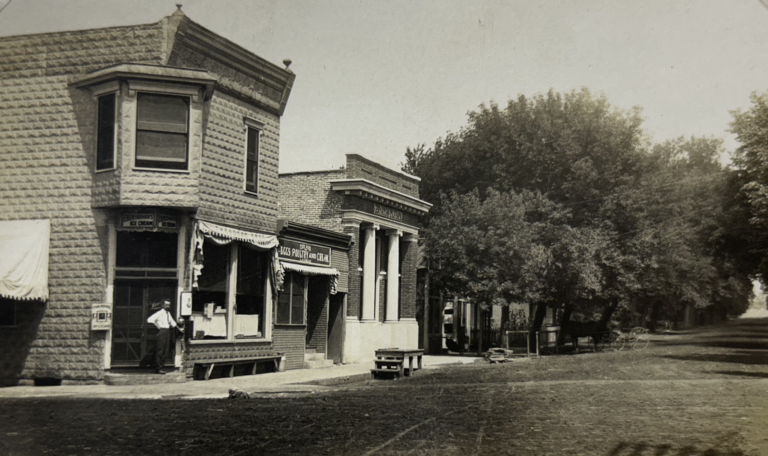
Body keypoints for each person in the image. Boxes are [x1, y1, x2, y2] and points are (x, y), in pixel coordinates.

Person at [147, 299, 181, 374]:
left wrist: (180, 329)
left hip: (167, 332)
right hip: (162, 332)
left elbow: (173, 323)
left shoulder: (168, 313)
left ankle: (161, 367)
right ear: (162, 305)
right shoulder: (159, 313)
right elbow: (150, 320)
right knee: (160, 350)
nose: (167, 306)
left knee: (165, 350)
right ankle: (158, 368)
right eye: (166, 305)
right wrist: (158, 326)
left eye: (169, 305)